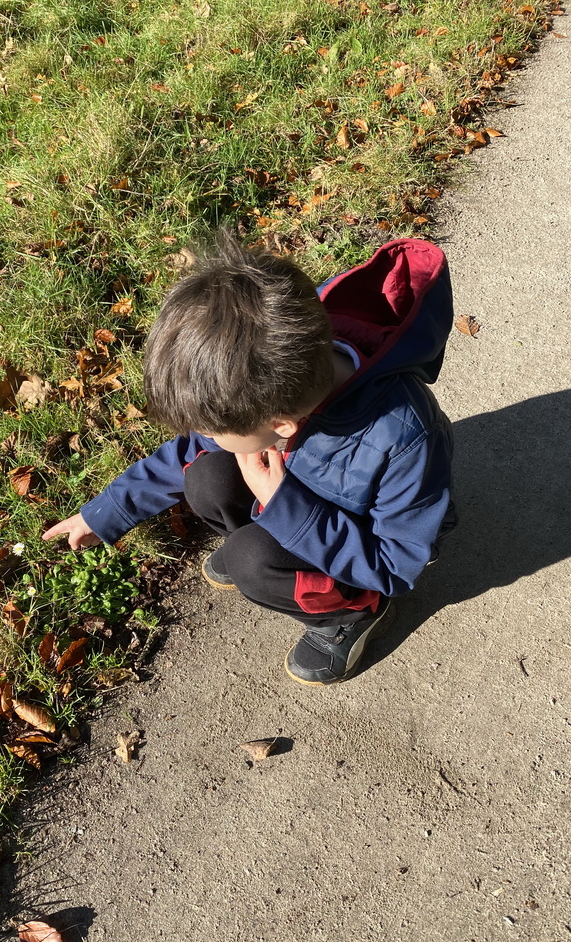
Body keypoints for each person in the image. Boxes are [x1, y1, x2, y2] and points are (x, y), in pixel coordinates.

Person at [42, 231, 456, 685]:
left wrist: (283, 506)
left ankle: (349, 612)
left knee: (251, 562)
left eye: (213, 428)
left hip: (364, 547)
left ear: (281, 426)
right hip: (300, 495)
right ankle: (270, 548)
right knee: (206, 478)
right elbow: (189, 450)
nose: (198, 436)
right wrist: (105, 513)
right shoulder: (283, 358)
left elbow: (394, 566)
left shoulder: (405, 438)